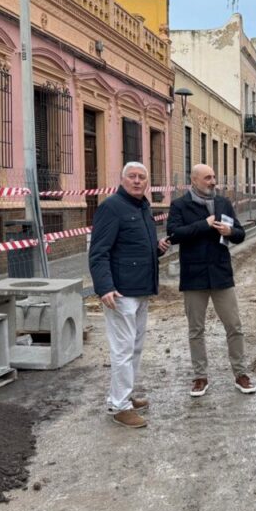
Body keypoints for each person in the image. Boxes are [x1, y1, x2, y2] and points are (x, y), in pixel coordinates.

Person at [88, 162, 170, 429]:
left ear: (147, 182)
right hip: (121, 292)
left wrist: (155, 249)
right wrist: (104, 287)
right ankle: (119, 406)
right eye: (132, 177)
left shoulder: (142, 207)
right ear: (122, 180)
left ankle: (125, 395)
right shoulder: (111, 207)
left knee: (134, 347)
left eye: (142, 177)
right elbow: (99, 251)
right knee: (122, 350)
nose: (137, 181)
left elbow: (132, 245)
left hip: (141, 288)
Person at [167, 163, 255, 398]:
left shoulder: (223, 203)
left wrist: (230, 232)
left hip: (221, 274)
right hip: (193, 276)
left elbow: (240, 234)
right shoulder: (179, 205)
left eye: (214, 177)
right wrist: (203, 225)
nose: (213, 181)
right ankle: (200, 377)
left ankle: (240, 374)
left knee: (234, 326)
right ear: (194, 180)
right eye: (208, 178)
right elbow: (174, 235)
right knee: (196, 329)